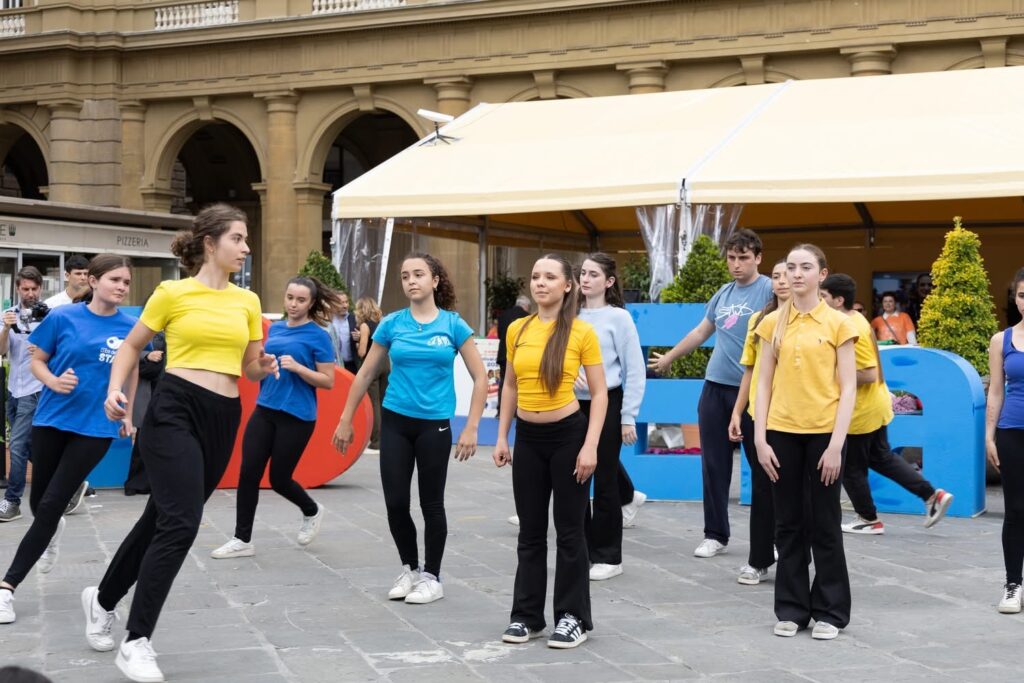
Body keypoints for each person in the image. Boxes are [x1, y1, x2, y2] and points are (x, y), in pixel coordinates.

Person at [82, 204, 274, 683]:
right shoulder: (172, 292)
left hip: (224, 416)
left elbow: (249, 367)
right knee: (182, 523)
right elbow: (131, 346)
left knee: (160, 519)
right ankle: (137, 640)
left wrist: (264, 367)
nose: (246, 247)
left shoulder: (248, 301)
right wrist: (115, 390)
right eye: (237, 238)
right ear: (210, 243)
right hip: (174, 409)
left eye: (246, 239)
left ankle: (101, 599)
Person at [333, 253, 487, 605]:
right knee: (396, 502)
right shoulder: (392, 324)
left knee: (432, 503)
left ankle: (432, 577)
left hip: (434, 425)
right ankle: (410, 569)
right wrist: (345, 419)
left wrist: (472, 427)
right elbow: (366, 374)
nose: (411, 281)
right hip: (396, 422)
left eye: (419, 274)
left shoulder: (453, 325)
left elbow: (480, 377)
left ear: (435, 280)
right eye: (405, 276)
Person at [0, 255, 139, 626]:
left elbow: (132, 371)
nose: (122, 287)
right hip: (52, 419)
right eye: (115, 279)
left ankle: (7, 587)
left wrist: (127, 414)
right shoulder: (63, 317)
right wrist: (53, 381)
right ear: (93, 281)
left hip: (96, 427)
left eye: (126, 281)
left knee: (50, 505)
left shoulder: (131, 327)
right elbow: (37, 361)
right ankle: (52, 527)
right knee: (39, 503)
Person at [494, 254, 607, 649]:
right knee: (530, 531)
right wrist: (503, 436)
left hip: (568, 437)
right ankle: (527, 617)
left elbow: (599, 393)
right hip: (527, 438)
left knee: (571, 531)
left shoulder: (581, 332)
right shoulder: (517, 328)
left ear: (567, 285)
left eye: (549, 277)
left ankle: (572, 617)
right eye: (535, 276)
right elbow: (510, 385)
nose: (540, 283)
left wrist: (590, 446)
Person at [753, 243, 857, 641]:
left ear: (822, 274)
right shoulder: (771, 323)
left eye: (806, 267)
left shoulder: (839, 324)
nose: (797, 274)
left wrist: (836, 445)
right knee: (788, 523)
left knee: (825, 523)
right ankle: (792, 609)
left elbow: (849, 388)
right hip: (781, 432)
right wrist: (760, 438)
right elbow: (763, 383)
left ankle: (831, 610)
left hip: (824, 434)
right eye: (791, 267)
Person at [648, 229, 773, 558]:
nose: (736, 264)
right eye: (731, 257)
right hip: (715, 387)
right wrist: (670, 357)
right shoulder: (723, 293)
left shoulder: (770, 290)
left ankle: (770, 539)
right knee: (714, 465)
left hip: (755, 391)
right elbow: (701, 331)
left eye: (744, 257)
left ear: (758, 258)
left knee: (763, 466)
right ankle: (715, 534)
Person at [212, 276, 340, 560]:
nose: (293, 304)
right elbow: (252, 375)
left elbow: (328, 381)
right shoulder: (276, 329)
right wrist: (263, 366)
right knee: (248, 473)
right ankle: (242, 539)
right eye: (290, 297)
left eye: (301, 300)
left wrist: (299, 368)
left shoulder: (318, 335)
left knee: (280, 479)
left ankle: (311, 510)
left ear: (311, 303)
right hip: (265, 409)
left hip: (297, 415)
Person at [821, 274, 953, 536]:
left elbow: (868, 373)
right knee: (882, 458)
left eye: (822, 296)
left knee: (851, 469)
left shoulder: (850, 325)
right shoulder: (855, 319)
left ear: (838, 300)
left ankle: (868, 519)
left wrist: (825, 374)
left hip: (859, 411)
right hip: (874, 405)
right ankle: (931, 495)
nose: (819, 300)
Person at [574, 253, 645, 582]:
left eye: (593, 274)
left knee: (604, 480)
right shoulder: (569, 313)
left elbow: (635, 369)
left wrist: (628, 416)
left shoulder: (619, 318)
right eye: (583, 273)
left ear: (609, 281)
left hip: (609, 401)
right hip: (570, 404)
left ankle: (608, 556)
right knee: (574, 479)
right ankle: (582, 551)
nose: (585, 279)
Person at [728, 259, 789, 586]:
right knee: (763, 489)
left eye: (788, 275)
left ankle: (792, 554)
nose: (782, 281)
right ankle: (759, 559)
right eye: (777, 276)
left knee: (794, 490)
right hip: (760, 416)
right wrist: (738, 411)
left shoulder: (815, 321)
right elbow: (749, 370)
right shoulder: (759, 319)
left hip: (796, 418)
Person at [986, 267, 1024, 614]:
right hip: (1012, 431)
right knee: (1015, 510)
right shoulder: (1002, 339)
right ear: (1015, 298)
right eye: (1022, 295)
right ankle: (1013, 584)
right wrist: (989, 435)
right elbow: (996, 391)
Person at [0, 267, 46, 523]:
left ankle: (12, 501)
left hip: (35, 389)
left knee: (17, 446)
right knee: (29, 448)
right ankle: (68, 484)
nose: (30, 293)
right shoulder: (9, 315)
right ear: (17, 289)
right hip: (13, 390)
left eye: (34, 289)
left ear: (41, 288)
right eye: (25, 289)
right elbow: (1, 350)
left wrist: (43, 349)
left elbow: (62, 350)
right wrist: (6, 328)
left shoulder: (50, 316)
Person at [124, 331, 165, 496]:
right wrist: (147, 355)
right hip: (150, 389)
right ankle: (136, 483)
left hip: (170, 388)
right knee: (145, 437)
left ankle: (157, 482)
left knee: (165, 438)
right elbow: (127, 349)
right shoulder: (147, 329)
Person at [354, 296, 389, 454]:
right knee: (383, 403)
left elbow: (362, 352)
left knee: (373, 403)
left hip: (372, 365)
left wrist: (358, 343)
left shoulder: (364, 326)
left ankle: (376, 442)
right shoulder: (382, 323)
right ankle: (385, 439)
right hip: (385, 363)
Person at [497, 294, 531, 418]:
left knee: (504, 382)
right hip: (521, 354)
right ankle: (517, 411)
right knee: (520, 383)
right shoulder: (527, 317)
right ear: (526, 306)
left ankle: (501, 411)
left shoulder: (503, 315)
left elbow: (499, 334)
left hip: (503, 353)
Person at [328, 290, 360, 375]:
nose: (345, 306)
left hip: (351, 366)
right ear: (333, 304)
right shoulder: (328, 320)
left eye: (346, 302)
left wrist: (360, 337)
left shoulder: (355, 319)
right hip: (332, 366)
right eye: (341, 303)